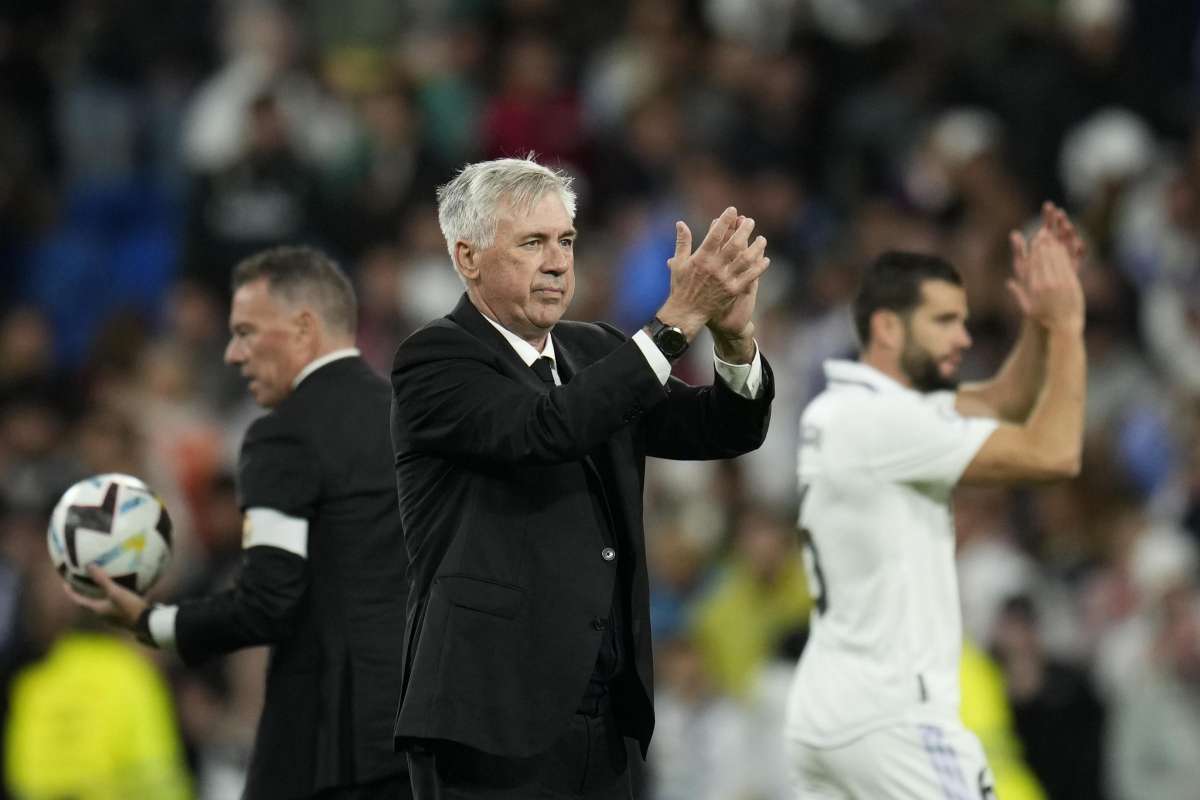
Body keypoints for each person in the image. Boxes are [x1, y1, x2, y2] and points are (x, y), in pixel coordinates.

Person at [390, 156, 775, 798]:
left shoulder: (595, 352)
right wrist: (676, 323)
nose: (558, 261)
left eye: (566, 240)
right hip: (489, 720)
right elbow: (548, 428)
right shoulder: (434, 359)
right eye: (532, 242)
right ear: (467, 257)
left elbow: (723, 430)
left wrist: (733, 342)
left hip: (605, 720)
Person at [70, 246, 411, 800]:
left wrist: (152, 622)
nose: (233, 353)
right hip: (422, 737)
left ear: (303, 329)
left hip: (328, 747)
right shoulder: (412, 421)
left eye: (248, 332)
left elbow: (268, 601)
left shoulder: (284, 436)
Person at [784, 203, 1087, 799]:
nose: (964, 338)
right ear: (889, 328)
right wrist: (1071, 326)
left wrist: (1039, 323)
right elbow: (1055, 454)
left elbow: (1003, 400)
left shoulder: (848, 409)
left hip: (830, 715)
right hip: (894, 719)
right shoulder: (885, 425)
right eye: (945, 321)